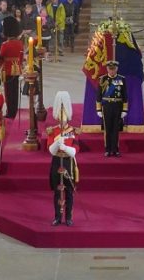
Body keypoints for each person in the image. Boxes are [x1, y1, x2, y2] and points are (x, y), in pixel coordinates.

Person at [47, 90, 79, 227]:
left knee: (69, 192)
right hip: (56, 161)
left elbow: (76, 150)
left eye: (64, 115)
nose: (62, 118)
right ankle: (57, 217)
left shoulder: (73, 131)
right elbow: (50, 149)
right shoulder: (52, 131)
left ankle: (69, 217)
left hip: (67, 161)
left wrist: (65, 147)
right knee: (57, 191)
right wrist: (56, 143)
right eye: (60, 116)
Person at [96, 60, 127, 157]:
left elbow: (125, 95)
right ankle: (108, 149)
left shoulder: (121, 79)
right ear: (107, 69)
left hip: (117, 106)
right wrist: (98, 109)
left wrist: (124, 110)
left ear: (117, 69)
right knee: (107, 129)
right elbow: (99, 95)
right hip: (107, 107)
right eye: (110, 69)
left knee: (116, 129)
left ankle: (115, 149)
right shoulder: (102, 79)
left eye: (113, 69)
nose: (112, 71)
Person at [0, 17, 24, 119]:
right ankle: (14, 111)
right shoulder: (19, 43)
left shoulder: (5, 44)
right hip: (16, 69)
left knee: (8, 92)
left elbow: (1, 57)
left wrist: (1, 64)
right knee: (15, 91)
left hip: (7, 70)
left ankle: (10, 112)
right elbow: (21, 57)